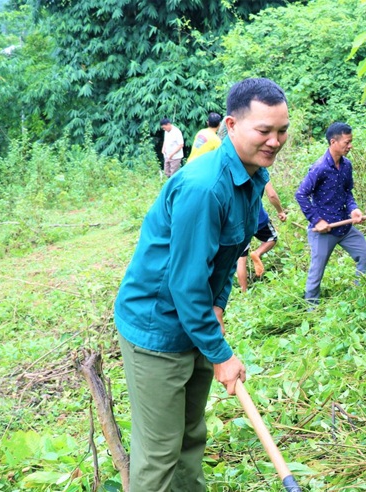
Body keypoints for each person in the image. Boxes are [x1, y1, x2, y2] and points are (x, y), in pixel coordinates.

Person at [114, 77, 289, 491]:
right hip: (157, 328)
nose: (275, 141)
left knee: (190, 440)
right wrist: (220, 353)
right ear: (231, 125)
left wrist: (218, 308)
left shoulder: (253, 177)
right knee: (159, 455)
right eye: (263, 130)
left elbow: (229, 256)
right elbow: (186, 283)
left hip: (196, 322)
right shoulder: (206, 186)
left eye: (282, 130)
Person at [295, 122, 366, 304]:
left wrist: (354, 209)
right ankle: (311, 309)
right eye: (347, 142)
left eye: (351, 142)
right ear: (333, 142)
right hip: (325, 230)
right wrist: (316, 220)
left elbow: (347, 193)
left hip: (344, 225)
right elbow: (301, 194)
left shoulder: (347, 166)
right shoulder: (319, 168)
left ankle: (358, 296)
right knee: (317, 271)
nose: (350, 146)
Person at [236, 181, 287, 292]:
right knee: (272, 238)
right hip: (258, 218)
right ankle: (257, 253)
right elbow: (272, 195)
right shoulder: (260, 170)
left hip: (239, 222)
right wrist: (280, 211)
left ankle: (244, 293)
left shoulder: (230, 172)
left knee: (241, 259)